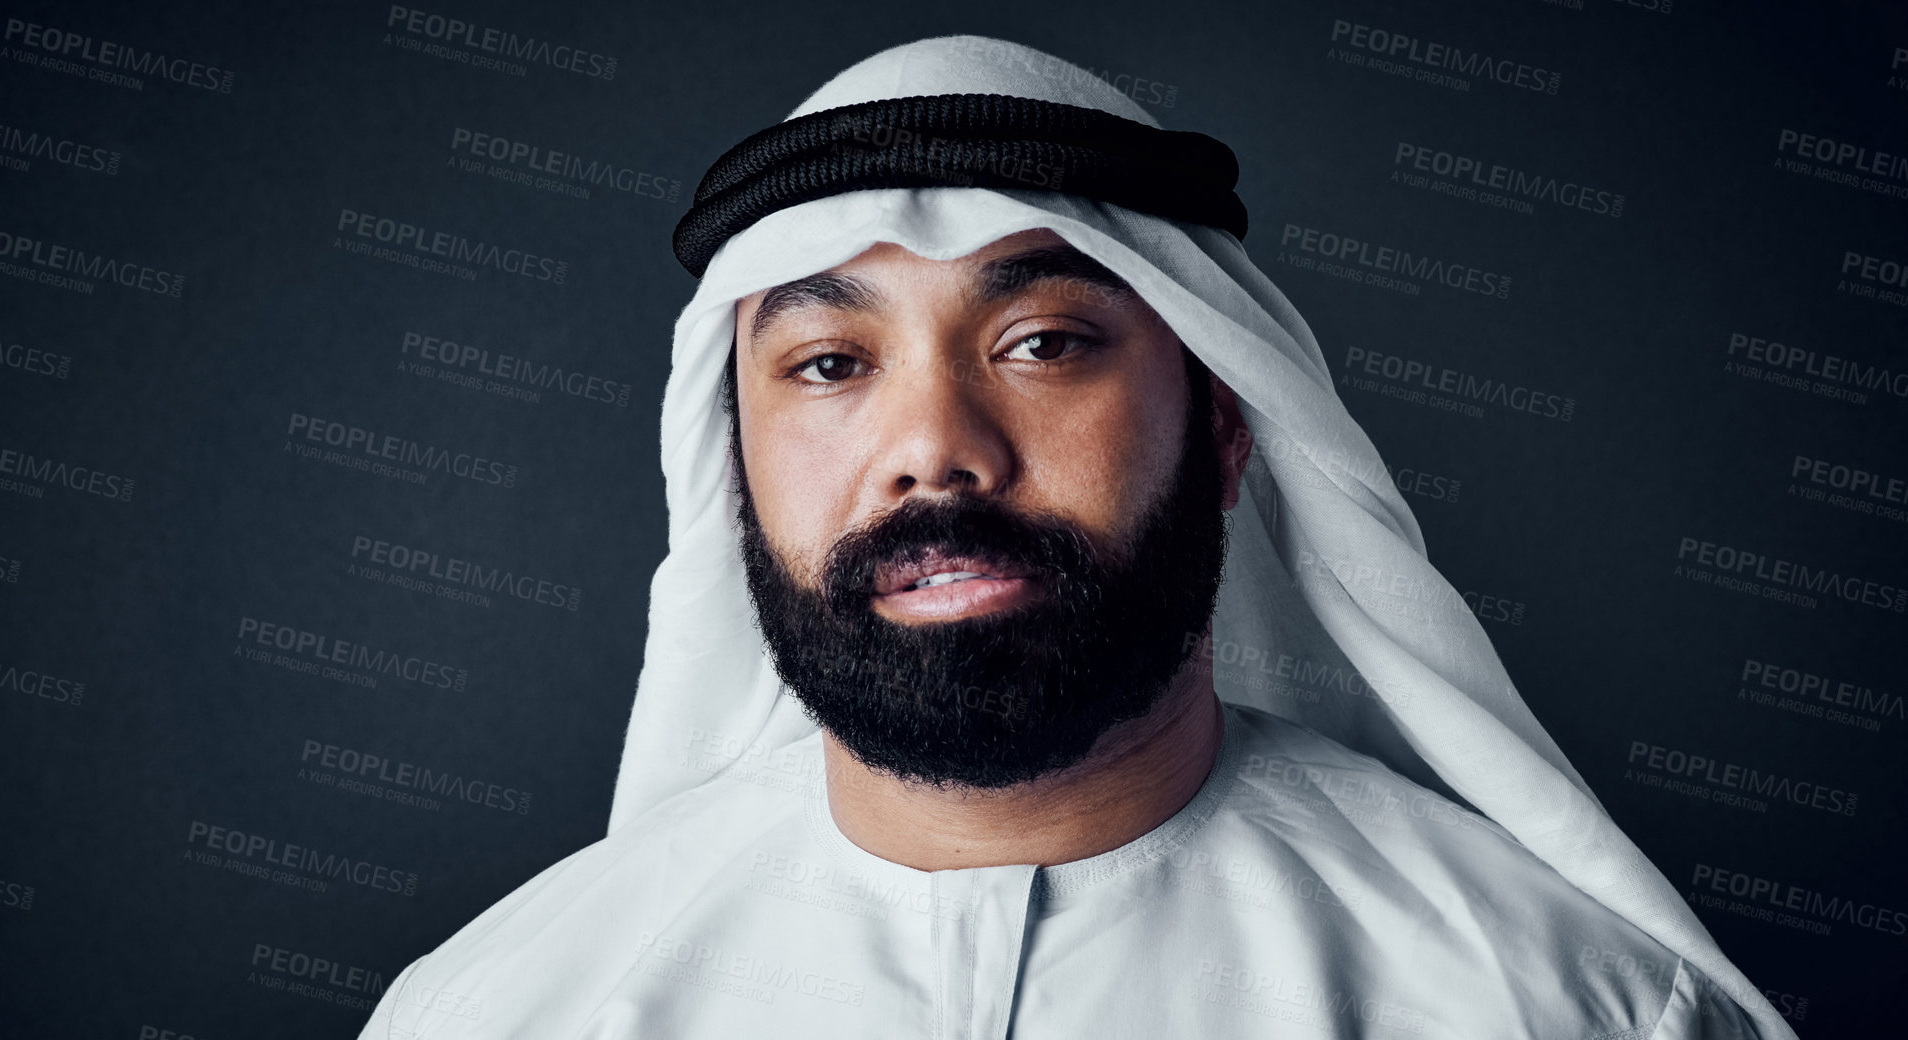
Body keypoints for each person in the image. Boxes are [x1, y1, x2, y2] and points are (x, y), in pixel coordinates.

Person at [357, 35, 1794, 1039]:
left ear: (1225, 427)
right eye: (828, 367)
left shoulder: (1563, 1011)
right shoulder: (499, 1011)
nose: (935, 452)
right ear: (733, 466)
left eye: (1042, 341)